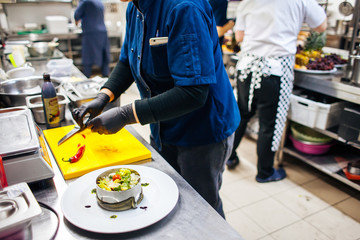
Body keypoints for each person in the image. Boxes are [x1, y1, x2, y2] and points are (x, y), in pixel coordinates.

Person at [73, 0, 240, 218]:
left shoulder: (185, 7)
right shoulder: (136, 8)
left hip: (202, 132)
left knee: (203, 208)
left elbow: (194, 92)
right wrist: (104, 96)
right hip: (163, 125)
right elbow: (127, 62)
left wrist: (125, 114)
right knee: (172, 198)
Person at [226, 0, 327, 183]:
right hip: (274, 70)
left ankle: (229, 157)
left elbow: (239, 37)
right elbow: (321, 26)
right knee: (269, 124)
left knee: (241, 115)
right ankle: (265, 172)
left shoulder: (247, 2)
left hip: (247, 67)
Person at [74, 0, 110, 78]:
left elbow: (77, 15)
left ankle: (86, 78)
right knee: (104, 56)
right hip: (103, 31)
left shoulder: (85, 1)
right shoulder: (99, 2)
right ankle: (106, 77)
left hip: (91, 32)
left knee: (88, 57)